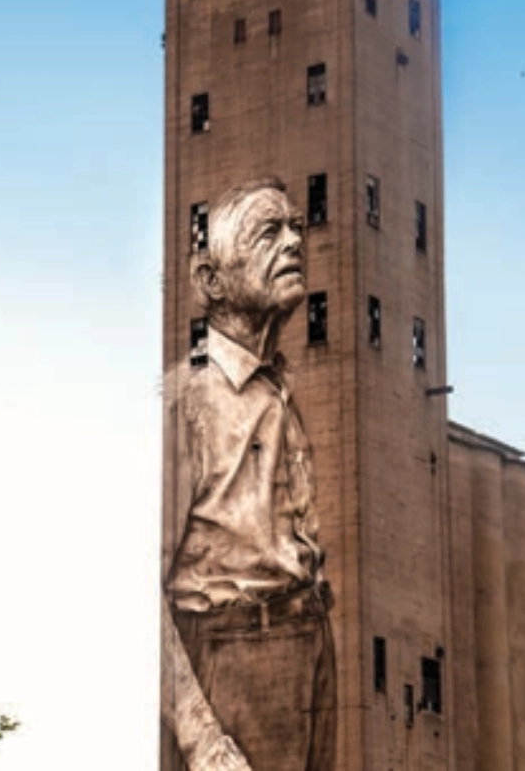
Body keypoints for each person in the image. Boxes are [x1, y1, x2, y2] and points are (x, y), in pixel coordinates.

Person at [161, 177, 336, 771]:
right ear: (211, 280)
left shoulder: (276, 390)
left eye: (296, 227)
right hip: (234, 651)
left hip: (309, 643)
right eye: (268, 233)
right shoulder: (188, 400)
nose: (294, 242)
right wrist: (203, 740)